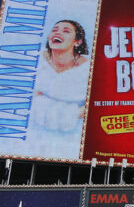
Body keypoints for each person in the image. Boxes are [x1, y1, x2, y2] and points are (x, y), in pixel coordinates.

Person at [29, 19, 92, 158]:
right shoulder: (34, 59)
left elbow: (96, 104)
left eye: (66, 31)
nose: (58, 33)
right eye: (55, 30)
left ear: (77, 41)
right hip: (31, 135)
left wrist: (74, 113)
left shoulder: (89, 68)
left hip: (72, 142)